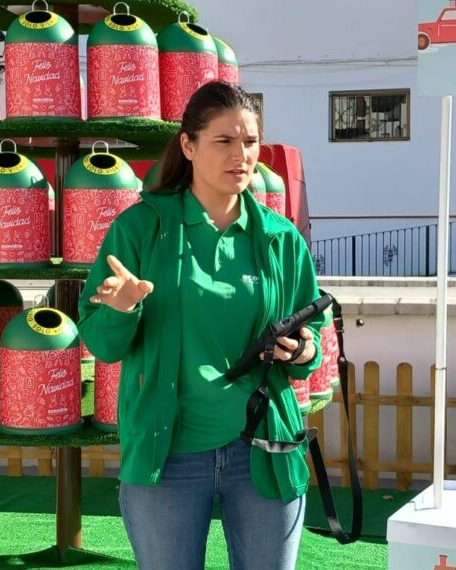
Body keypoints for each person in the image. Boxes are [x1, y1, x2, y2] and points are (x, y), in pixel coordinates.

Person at [77, 80, 325, 570]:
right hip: (167, 454)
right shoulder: (138, 229)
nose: (241, 155)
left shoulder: (282, 239)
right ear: (188, 146)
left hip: (262, 449)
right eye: (224, 141)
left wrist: (300, 350)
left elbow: (312, 342)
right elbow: (101, 344)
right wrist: (123, 308)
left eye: (250, 142)